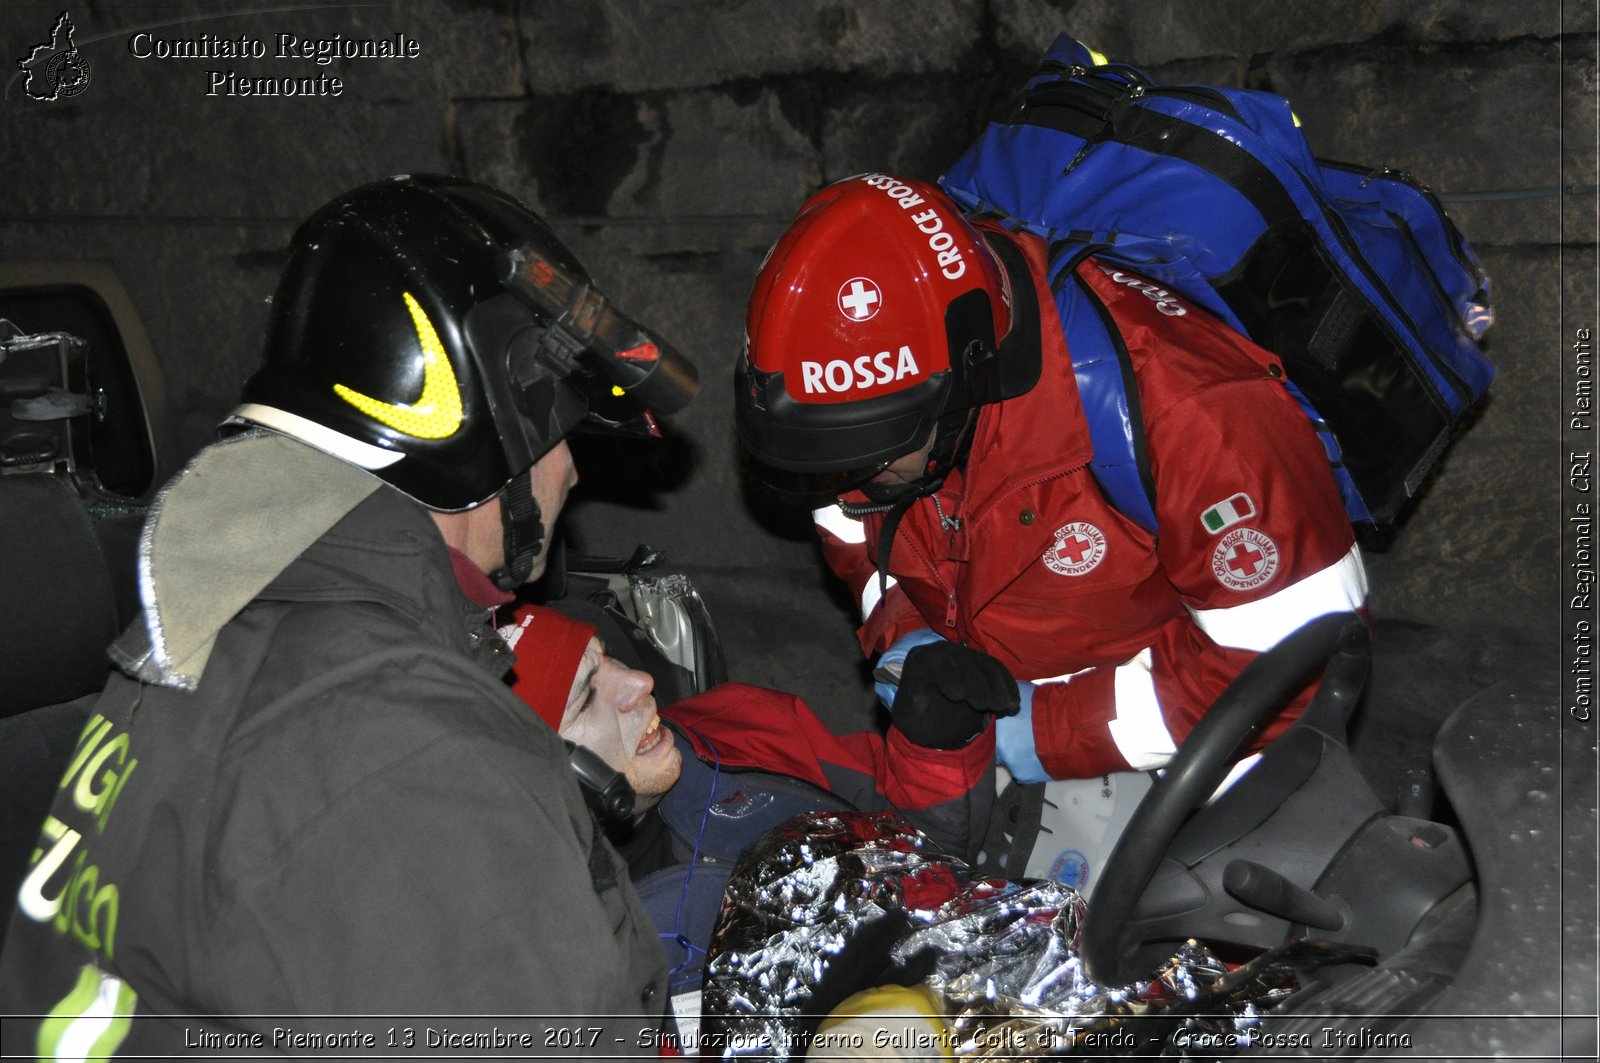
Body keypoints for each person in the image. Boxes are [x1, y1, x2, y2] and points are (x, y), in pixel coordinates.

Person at [0, 174, 699, 1056]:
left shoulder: (205, 637)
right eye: (557, 432)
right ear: (487, 430)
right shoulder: (412, 753)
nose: (571, 473)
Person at [733, 173, 1368, 878]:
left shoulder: (1195, 416)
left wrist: (1041, 730)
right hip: (1032, 762)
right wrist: (905, 639)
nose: (846, 481)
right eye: (820, 462)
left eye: (870, 455)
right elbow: (857, 535)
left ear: (966, 378)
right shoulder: (860, 412)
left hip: (1213, 779)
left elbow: (1289, 663)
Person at [500, 602, 1014, 1015]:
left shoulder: (731, 726)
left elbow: (921, 857)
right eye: (587, 698)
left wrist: (938, 746)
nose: (640, 681)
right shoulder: (554, 972)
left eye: (609, 656)